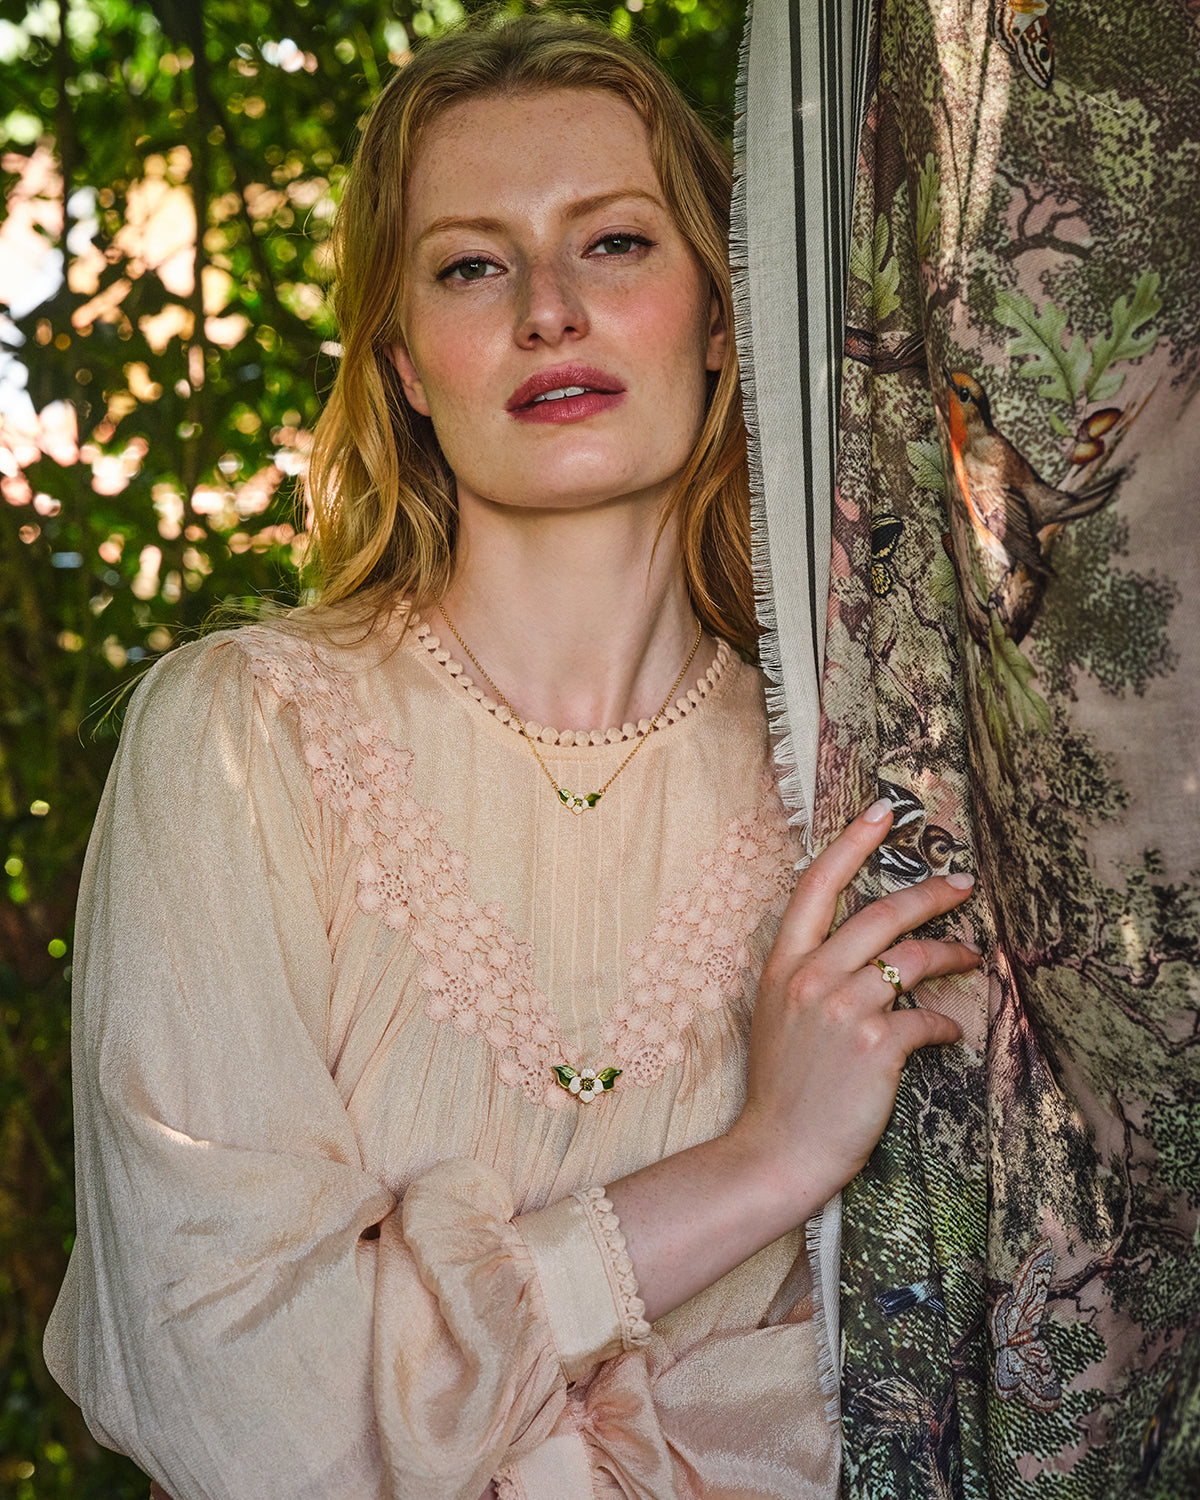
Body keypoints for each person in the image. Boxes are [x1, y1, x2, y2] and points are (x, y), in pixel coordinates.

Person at [43, 14, 980, 1499]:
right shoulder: (243, 738)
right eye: (474, 264)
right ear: (408, 362)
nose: (551, 310)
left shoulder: (860, 785)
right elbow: (251, 1414)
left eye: (613, 244)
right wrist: (762, 1163)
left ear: (722, 316)